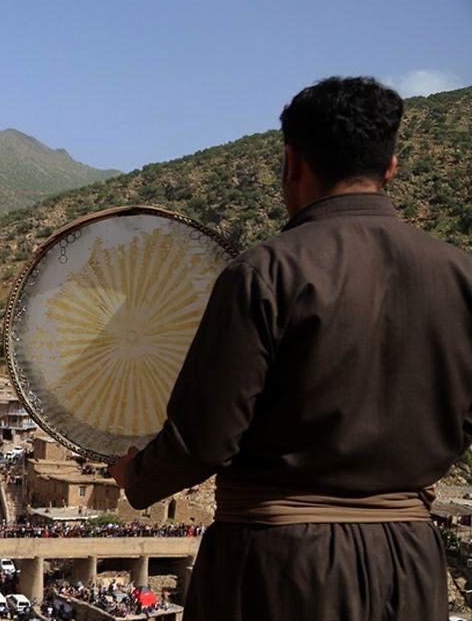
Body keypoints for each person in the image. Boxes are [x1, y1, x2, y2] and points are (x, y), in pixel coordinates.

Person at [108, 76, 472, 620]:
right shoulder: (462, 276)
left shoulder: (265, 273)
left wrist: (136, 477)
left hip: (280, 565)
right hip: (410, 565)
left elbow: (205, 439)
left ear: (292, 161)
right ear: (391, 167)